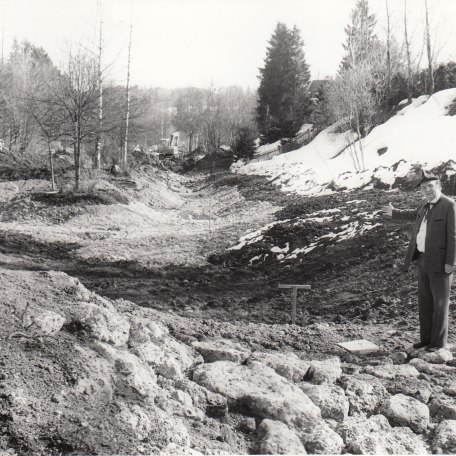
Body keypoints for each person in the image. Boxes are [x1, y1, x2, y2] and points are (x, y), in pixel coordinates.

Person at [382, 169, 456, 352]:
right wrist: (394, 212)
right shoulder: (425, 205)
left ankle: (438, 343)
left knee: (440, 303)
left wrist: (450, 262)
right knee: (425, 302)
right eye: (424, 187)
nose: (427, 190)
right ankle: (426, 340)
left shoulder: (449, 205)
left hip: (440, 263)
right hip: (422, 260)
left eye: (430, 186)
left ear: (438, 186)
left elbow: (454, 236)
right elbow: (411, 214)